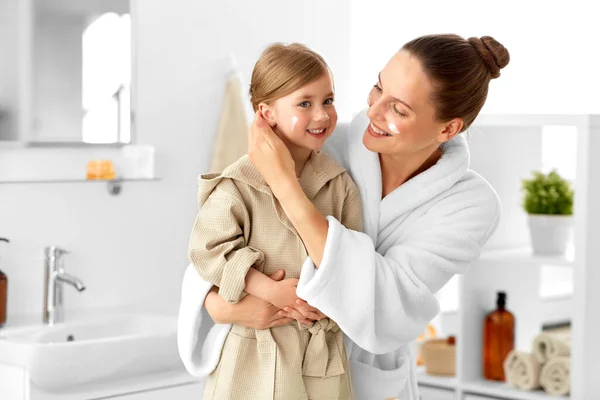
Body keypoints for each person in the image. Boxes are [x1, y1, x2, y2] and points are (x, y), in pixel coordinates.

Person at [179, 33, 508, 400]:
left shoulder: (468, 204)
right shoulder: (324, 144)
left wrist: (285, 183)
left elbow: (384, 303)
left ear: (448, 129)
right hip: (268, 367)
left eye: (398, 109)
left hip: (363, 380)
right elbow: (215, 246)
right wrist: (224, 306)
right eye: (377, 88)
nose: (374, 111)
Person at [187, 42, 362, 400]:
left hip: (320, 354)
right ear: (266, 113)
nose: (322, 115)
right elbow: (207, 251)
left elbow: (354, 263)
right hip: (250, 356)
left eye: (328, 100)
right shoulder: (238, 184)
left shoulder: (340, 185)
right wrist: (270, 290)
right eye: (304, 103)